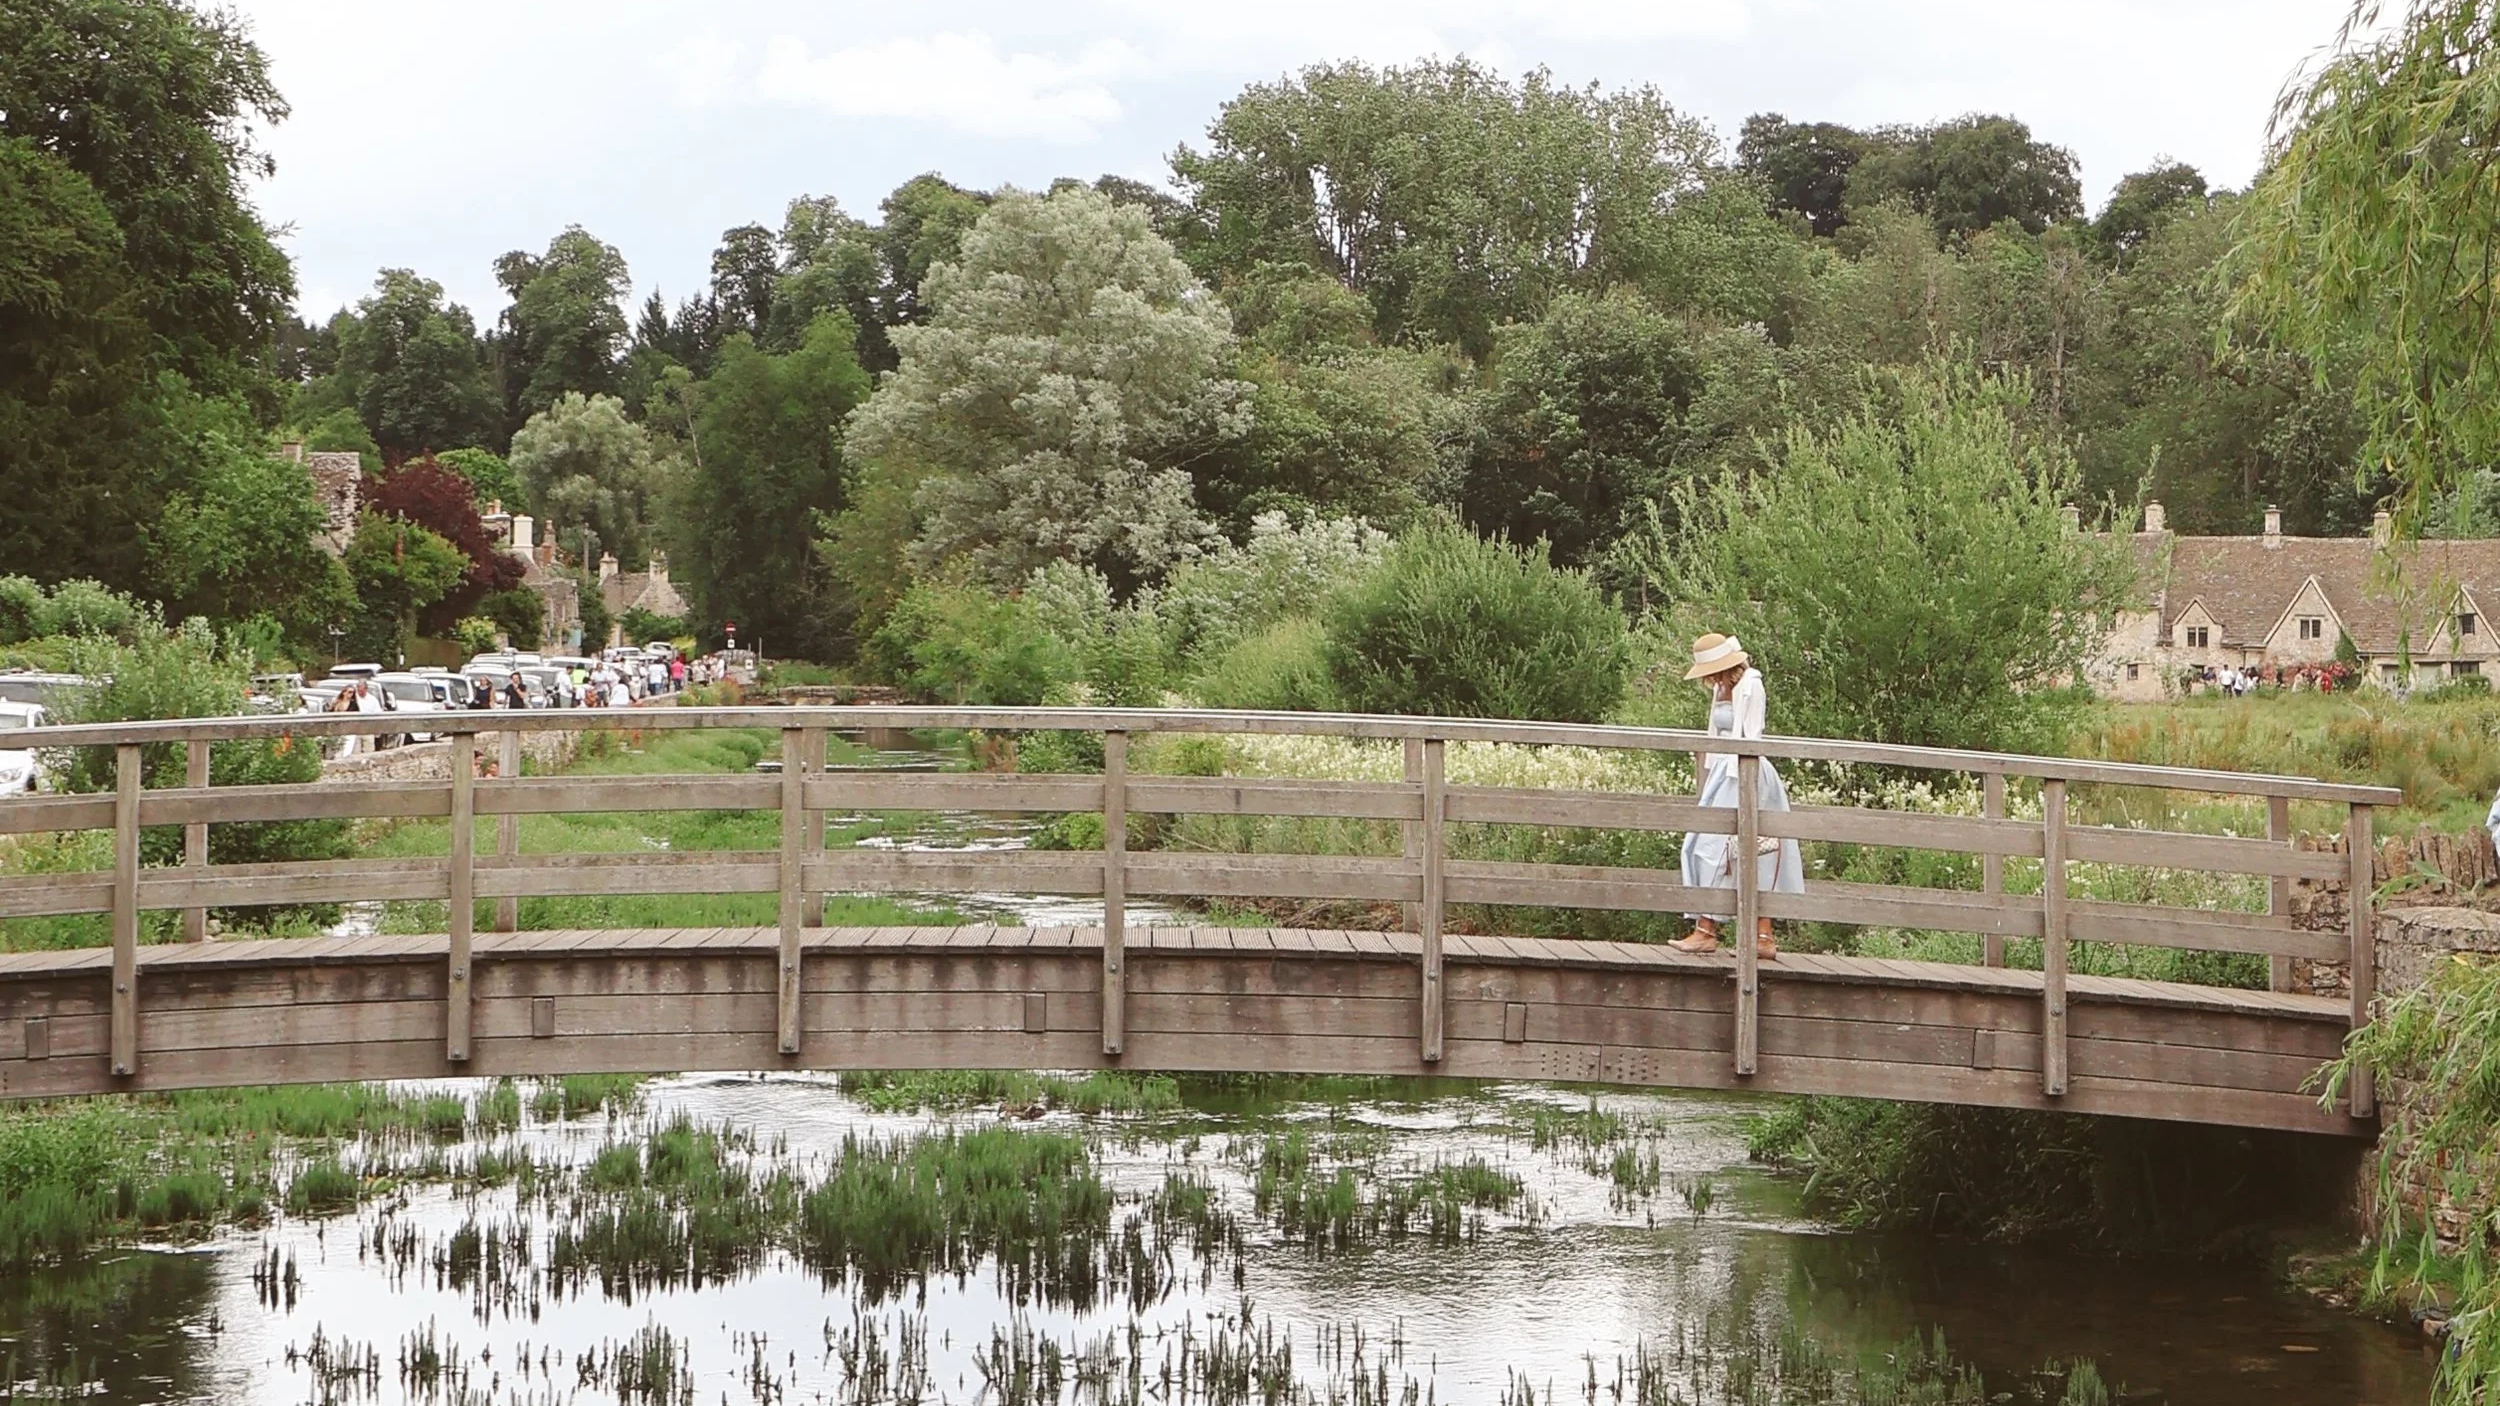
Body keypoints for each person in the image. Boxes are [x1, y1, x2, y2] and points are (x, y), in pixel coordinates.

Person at [1669, 633, 1804, 962]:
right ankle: (1707, 928)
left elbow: (1752, 736)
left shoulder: (1751, 685)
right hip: (1723, 772)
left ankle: (1754, 936)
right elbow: (1715, 736)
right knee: (1702, 845)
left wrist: (1742, 780)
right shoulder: (1720, 689)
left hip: (1746, 772)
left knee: (1755, 848)